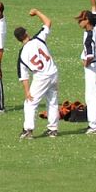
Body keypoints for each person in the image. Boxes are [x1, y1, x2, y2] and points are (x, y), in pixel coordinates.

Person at [16, 8, 59, 139]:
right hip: (53, 73)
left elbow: (24, 76)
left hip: (41, 77)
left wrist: (27, 92)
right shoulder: (38, 38)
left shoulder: (22, 54)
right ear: (26, 33)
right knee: (52, 101)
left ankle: (28, 130)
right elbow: (48, 22)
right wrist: (37, 12)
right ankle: (53, 129)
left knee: (30, 103)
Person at [75, 6, 96, 134]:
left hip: (93, 68)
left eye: (81, 20)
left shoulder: (89, 35)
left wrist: (85, 63)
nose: (79, 22)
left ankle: (93, 126)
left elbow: (90, 55)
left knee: (91, 97)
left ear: (87, 20)